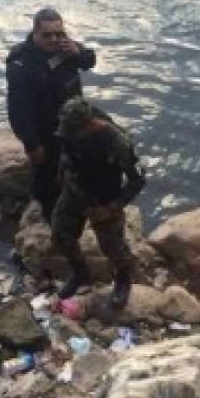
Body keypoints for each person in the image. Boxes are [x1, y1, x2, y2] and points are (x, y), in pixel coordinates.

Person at [52, 98, 146, 310]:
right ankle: (80, 272)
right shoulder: (69, 131)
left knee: (112, 247)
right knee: (61, 235)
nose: (71, 136)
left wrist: (112, 208)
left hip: (103, 199)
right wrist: (61, 173)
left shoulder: (117, 142)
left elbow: (138, 180)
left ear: (90, 125)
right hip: (74, 190)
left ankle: (123, 280)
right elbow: (65, 149)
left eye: (75, 133)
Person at [6, 7, 97, 221]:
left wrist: (78, 53)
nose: (54, 39)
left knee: (83, 169)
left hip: (74, 124)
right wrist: (31, 144)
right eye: (47, 35)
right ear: (35, 33)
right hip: (45, 130)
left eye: (58, 33)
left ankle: (81, 209)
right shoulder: (21, 61)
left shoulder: (67, 48)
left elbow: (90, 61)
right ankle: (50, 222)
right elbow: (17, 109)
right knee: (47, 180)